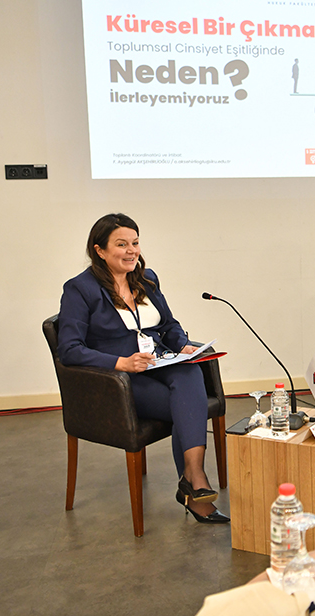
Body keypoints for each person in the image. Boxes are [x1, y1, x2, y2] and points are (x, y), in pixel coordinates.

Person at [57, 213, 229, 524]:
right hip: (120, 380)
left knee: (189, 371)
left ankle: (193, 476)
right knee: (187, 404)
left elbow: (168, 325)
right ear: (100, 250)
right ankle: (195, 485)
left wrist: (182, 345)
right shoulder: (80, 289)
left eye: (135, 243)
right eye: (121, 244)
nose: (131, 251)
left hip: (157, 362)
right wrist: (121, 363)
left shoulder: (146, 278)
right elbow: (69, 350)